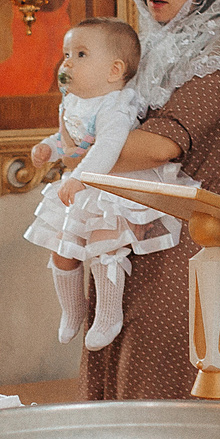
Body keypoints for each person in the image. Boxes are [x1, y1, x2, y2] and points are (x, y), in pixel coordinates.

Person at [78, 0, 220, 400]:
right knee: (111, 393)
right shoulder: (153, 48)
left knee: (151, 399)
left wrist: (77, 145)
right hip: (125, 239)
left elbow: (161, 144)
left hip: (180, 248)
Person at [26, 18, 181, 349]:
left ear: (114, 71)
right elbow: (73, 141)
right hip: (85, 181)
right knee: (62, 249)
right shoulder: (72, 102)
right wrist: (49, 148)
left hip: (115, 185)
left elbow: (109, 146)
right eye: (66, 53)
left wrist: (80, 177)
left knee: (104, 246)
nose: (67, 62)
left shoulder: (115, 106)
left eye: (80, 54)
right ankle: (73, 309)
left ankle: (109, 315)